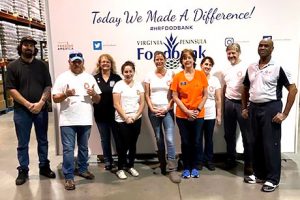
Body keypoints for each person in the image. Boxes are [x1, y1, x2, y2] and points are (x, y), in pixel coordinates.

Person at [242, 39, 297, 192]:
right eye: (260, 45)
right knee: (255, 142)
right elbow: (245, 88)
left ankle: (273, 179)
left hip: (271, 107)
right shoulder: (251, 67)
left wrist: (284, 113)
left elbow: (293, 90)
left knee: (270, 144)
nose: (263, 48)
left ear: (272, 49)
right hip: (253, 107)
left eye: (266, 46)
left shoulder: (278, 67)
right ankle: (259, 174)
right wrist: (244, 108)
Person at [5, 36, 56, 186]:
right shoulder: (13, 66)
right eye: (26, 45)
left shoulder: (42, 65)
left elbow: (48, 86)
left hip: (40, 110)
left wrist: (41, 102)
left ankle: (44, 166)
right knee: (23, 142)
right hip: (22, 111)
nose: (29, 47)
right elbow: (11, 89)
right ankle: (23, 170)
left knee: (43, 140)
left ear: (35, 48)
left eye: (31, 45)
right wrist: (28, 104)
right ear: (21, 47)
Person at [52, 51, 101, 190]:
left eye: (79, 61)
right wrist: (65, 94)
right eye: (74, 61)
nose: (77, 64)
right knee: (68, 149)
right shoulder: (62, 77)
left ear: (83, 62)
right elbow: (55, 98)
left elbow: (98, 100)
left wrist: (94, 94)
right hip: (67, 120)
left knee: (84, 147)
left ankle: (83, 169)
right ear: (69, 62)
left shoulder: (89, 78)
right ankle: (68, 177)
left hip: (85, 119)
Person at [170, 49, 208, 178]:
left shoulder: (201, 75)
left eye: (189, 57)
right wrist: (186, 111)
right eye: (184, 58)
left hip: (198, 114)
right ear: (181, 61)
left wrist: (196, 111)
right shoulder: (177, 76)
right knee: (186, 142)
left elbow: (205, 95)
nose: (187, 60)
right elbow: (175, 96)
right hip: (182, 115)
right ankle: (186, 167)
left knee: (197, 141)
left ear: (193, 60)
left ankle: (195, 166)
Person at [144, 51, 181, 183]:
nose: (159, 61)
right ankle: (162, 165)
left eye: (161, 59)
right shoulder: (149, 76)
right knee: (159, 138)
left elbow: (174, 94)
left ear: (165, 60)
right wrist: (152, 108)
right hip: (153, 111)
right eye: (156, 59)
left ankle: (172, 169)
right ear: (154, 61)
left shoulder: (172, 74)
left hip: (168, 110)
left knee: (170, 139)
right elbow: (147, 95)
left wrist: (167, 108)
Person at [222, 43, 253, 175]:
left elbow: (250, 86)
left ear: (239, 53)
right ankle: (231, 159)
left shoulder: (247, 67)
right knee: (229, 134)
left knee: (247, 135)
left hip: (242, 104)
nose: (231, 55)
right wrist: (224, 103)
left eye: (233, 53)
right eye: (229, 53)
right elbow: (225, 87)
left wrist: (248, 105)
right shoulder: (226, 69)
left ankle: (249, 163)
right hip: (229, 103)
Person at [113, 61, 145, 180]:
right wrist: (126, 117)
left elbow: (142, 103)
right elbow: (116, 104)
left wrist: (135, 116)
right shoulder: (118, 85)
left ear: (133, 72)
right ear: (122, 73)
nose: (128, 73)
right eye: (126, 71)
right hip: (122, 120)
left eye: (130, 71)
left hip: (136, 118)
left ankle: (130, 166)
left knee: (132, 144)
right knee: (122, 145)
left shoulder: (138, 85)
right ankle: (120, 168)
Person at [93, 54, 121, 170]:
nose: (105, 63)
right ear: (99, 64)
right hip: (100, 114)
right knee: (105, 139)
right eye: (103, 61)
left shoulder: (117, 78)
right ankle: (108, 161)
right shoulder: (94, 78)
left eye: (107, 61)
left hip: (115, 114)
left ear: (111, 64)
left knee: (118, 138)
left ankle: (121, 160)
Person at [200, 56, 222, 171]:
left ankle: (209, 160)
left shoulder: (215, 80)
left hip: (210, 115)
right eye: (205, 64)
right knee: (198, 139)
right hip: (198, 114)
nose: (207, 66)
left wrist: (219, 115)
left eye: (209, 65)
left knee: (209, 139)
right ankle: (199, 160)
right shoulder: (196, 78)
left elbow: (218, 99)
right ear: (201, 65)